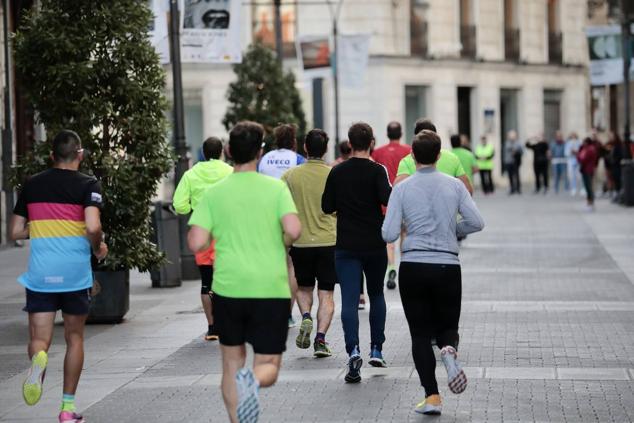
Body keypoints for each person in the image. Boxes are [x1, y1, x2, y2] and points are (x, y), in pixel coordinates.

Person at [188, 121, 301, 423]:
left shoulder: (214, 193)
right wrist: (281, 241)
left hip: (228, 288)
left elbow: (197, 241)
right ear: (260, 151)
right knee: (268, 364)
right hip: (270, 287)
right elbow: (294, 229)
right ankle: (254, 380)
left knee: (230, 363)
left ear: (228, 151)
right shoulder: (275, 189)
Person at [382, 130, 484, 416]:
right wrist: (453, 229)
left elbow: (389, 232)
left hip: (413, 265)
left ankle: (432, 397)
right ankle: (449, 350)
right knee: (448, 326)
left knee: (419, 334)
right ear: (439, 156)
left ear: (412, 156)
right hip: (447, 265)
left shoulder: (401, 189)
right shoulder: (454, 186)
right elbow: (476, 221)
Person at [10, 130, 108, 423]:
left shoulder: (32, 185)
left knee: (39, 340)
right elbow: (92, 226)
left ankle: (38, 361)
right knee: (74, 337)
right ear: (80, 155)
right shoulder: (89, 184)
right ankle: (67, 409)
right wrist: (99, 245)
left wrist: (40, 227)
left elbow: (14, 232)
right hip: (75, 275)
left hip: (41, 274)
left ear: (52, 156)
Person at [322, 122, 392, 383]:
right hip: (374, 243)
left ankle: (353, 350)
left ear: (349, 144)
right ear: (371, 142)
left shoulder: (337, 172)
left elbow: (326, 205)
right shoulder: (378, 171)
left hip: (346, 245)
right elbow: (388, 198)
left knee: (349, 300)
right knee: (376, 294)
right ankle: (377, 348)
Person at [282, 129, 336, 358]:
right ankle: (321, 339)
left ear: (305, 147)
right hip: (329, 241)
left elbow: (281, 209)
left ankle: (305, 316)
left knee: (304, 287)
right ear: (325, 149)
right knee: (327, 293)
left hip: (300, 242)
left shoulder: (290, 176)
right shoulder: (334, 173)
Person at [173, 137, 233, 341]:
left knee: (206, 282)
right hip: (226, 231)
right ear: (221, 153)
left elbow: (179, 205)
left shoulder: (191, 174)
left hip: (203, 231)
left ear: (203, 153)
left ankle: (212, 327)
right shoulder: (230, 171)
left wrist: (193, 209)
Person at [258, 124, 303, 327]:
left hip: (266, 216)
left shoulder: (265, 159)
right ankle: (287, 313)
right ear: (293, 141)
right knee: (291, 266)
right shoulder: (297, 160)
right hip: (290, 214)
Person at [371, 121, 411, 289]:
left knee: (389, 239)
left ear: (387, 134)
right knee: (404, 234)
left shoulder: (378, 152)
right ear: (401, 133)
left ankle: (391, 266)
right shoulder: (409, 150)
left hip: (386, 203)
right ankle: (403, 267)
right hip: (406, 201)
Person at [393, 119, 473, 195]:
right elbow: (468, 190)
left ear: (416, 138)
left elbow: (397, 191)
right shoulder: (452, 157)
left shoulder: (407, 160)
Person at [578, 137, 599, 211]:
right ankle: (589, 202)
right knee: (587, 187)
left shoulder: (590, 150)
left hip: (588, 170)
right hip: (585, 170)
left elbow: (583, 159)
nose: (583, 144)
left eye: (584, 142)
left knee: (589, 187)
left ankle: (591, 203)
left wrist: (578, 155)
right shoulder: (586, 149)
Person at [503, 130, 523, 195]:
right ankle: (512, 188)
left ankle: (518, 188)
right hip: (508, 161)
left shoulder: (518, 143)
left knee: (517, 175)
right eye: (510, 136)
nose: (511, 137)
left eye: (513, 136)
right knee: (510, 176)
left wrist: (516, 151)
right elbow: (507, 149)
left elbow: (521, 151)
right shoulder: (507, 143)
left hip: (515, 162)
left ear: (515, 136)